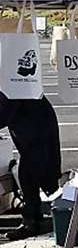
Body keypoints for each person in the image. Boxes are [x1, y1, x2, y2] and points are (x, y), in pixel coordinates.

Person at [0, 93, 62, 240]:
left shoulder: (13, 86)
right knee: (28, 174)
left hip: (37, 132)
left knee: (29, 175)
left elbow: (3, 115)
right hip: (33, 130)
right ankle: (34, 220)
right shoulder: (15, 83)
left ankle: (33, 222)